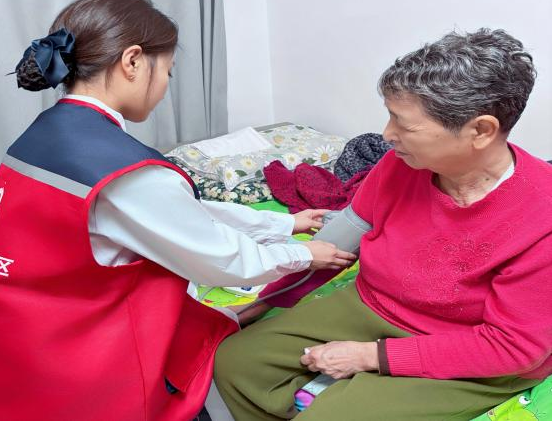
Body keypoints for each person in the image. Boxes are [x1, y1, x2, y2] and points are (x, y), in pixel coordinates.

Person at [0, 0, 356, 421]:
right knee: (211, 337)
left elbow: (170, 212)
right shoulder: (121, 168)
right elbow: (224, 260)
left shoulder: (46, 134)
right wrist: (303, 255)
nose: (166, 85)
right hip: (72, 362)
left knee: (218, 318)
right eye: (167, 70)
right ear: (133, 61)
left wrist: (280, 224)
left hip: (5, 344)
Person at [214, 28, 552, 420]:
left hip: (469, 342)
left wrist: (371, 356)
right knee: (234, 363)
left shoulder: (541, 217)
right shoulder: (399, 165)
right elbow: (338, 243)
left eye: (404, 125)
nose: (387, 135)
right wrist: (268, 300)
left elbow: (514, 346)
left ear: (480, 131)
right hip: (373, 305)